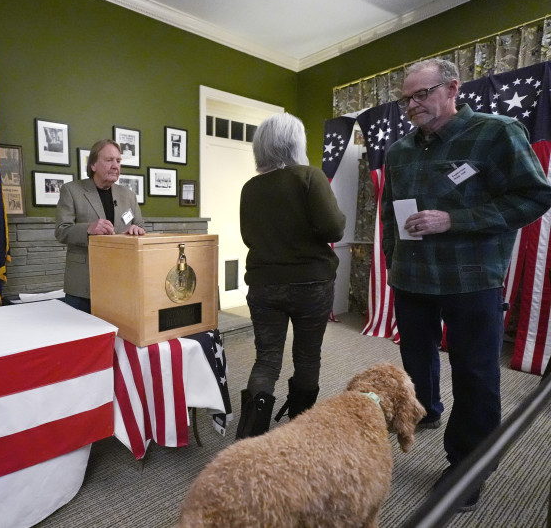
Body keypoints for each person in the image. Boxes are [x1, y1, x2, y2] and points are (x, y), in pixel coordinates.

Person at [382, 58, 551, 511]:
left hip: (471, 281)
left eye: (421, 94)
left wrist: (453, 220)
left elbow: (534, 196)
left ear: (452, 88)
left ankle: (467, 468)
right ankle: (426, 410)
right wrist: (391, 263)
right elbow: (388, 215)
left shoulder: (497, 132)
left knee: (475, 374)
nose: (411, 105)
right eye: (405, 98)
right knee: (415, 361)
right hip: (412, 279)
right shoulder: (399, 150)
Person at [235, 112, 346, 440]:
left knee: (266, 359)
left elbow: (248, 237)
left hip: (264, 284)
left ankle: (250, 438)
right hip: (311, 284)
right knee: (307, 356)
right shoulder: (309, 177)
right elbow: (334, 227)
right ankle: (300, 431)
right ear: (294, 143)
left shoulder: (250, 188)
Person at [55, 138, 145, 313]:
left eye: (118, 161)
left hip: (121, 282)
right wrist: (88, 229)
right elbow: (61, 231)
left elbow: (140, 225)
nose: (115, 166)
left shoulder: (128, 195)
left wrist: (138, 230)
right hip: (84, 284)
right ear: (93, 165)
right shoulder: (72, 190)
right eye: (109, 160)